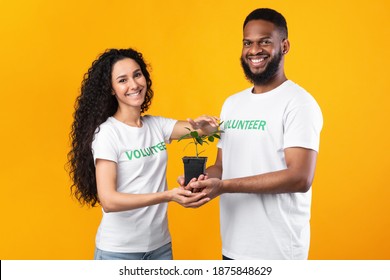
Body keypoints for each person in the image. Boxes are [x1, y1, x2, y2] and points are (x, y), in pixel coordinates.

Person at [184, 8, 323, 259]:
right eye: (247, 43)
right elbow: (222, 166)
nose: (254, 50)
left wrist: (224, 187)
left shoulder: (299, 103)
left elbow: (300, 178)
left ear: (285, 45)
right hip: (233, 247)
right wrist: (202, 181)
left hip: (278, 252)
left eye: (264, 42)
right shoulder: (232, 104)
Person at [67, 48, 219, 260]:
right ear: (111, 89)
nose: (134, 84)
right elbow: (109, 201)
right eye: (122, 80)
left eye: (137, 75)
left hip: (160, 247)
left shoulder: (156, 125)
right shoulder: (107, 134)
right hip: (118, 252)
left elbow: (203, 131)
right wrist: (168, 196)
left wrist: (207, 125)